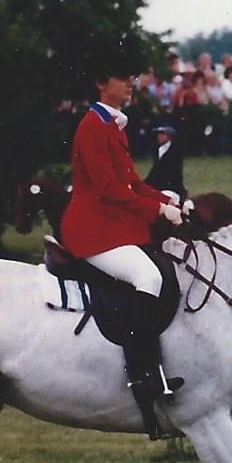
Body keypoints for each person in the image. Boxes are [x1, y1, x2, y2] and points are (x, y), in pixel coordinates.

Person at [61, 60, 186, 438]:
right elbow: (108, 191)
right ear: (102, 83)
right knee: (147, 276)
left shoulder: (110, 125)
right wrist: (157, 209)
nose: (131, 84)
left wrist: (164, 197)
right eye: (123, 78)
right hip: (92, 230)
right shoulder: (92, 127)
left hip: (113, 226)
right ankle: (140, 372)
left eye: (132, 78)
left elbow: (131, 182)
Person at [144, 124, 188, 205]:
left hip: (171, 187)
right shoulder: (158, 150)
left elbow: (172, 174)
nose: (159, 136)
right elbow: (154, 171)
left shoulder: (175, 151)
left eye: (162, 134)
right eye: (159, 134)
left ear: (169, 136)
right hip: (158, 185)